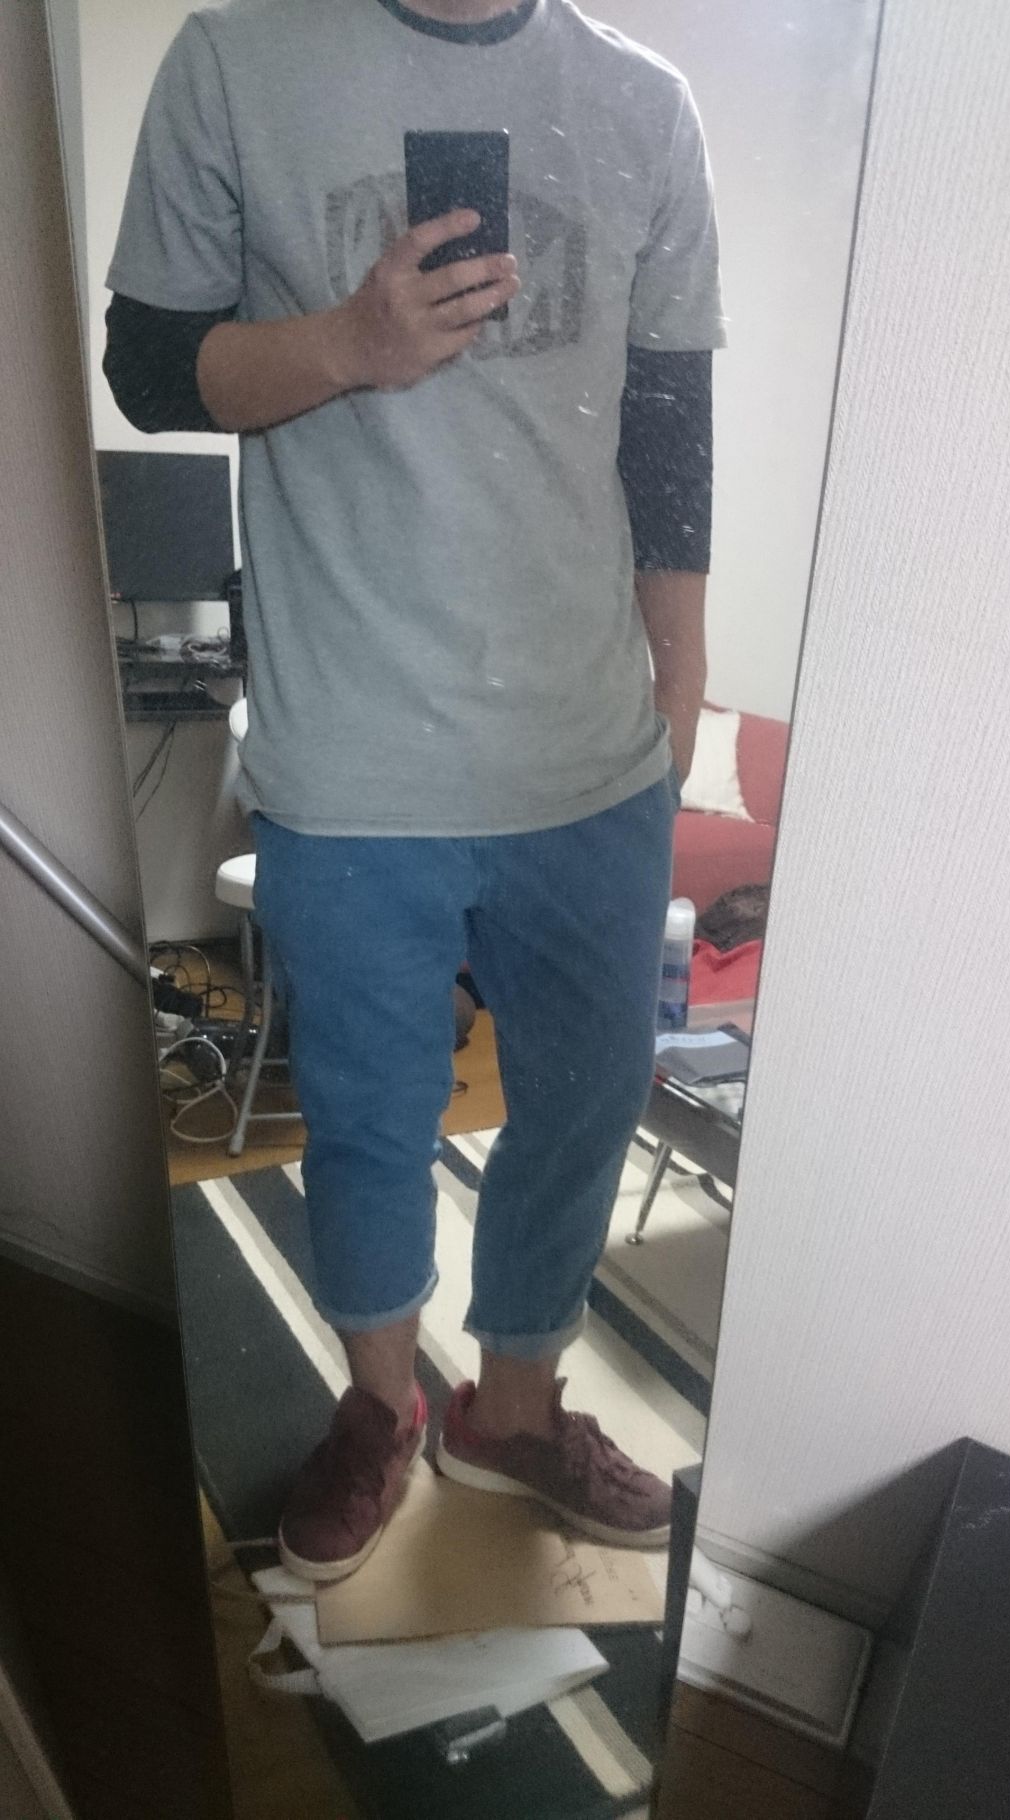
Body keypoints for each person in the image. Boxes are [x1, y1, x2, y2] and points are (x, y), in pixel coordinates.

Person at [105, 0, 725, 1583]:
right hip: (353, 746)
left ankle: (510, 1413)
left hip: (592, 747)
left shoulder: (646, 102)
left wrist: (679, 672)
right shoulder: (234, 63)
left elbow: (669, 422)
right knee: (370, 1120)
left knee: (585, 1102)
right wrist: (348, 343)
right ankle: (379, 1409)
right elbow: (147, 365)